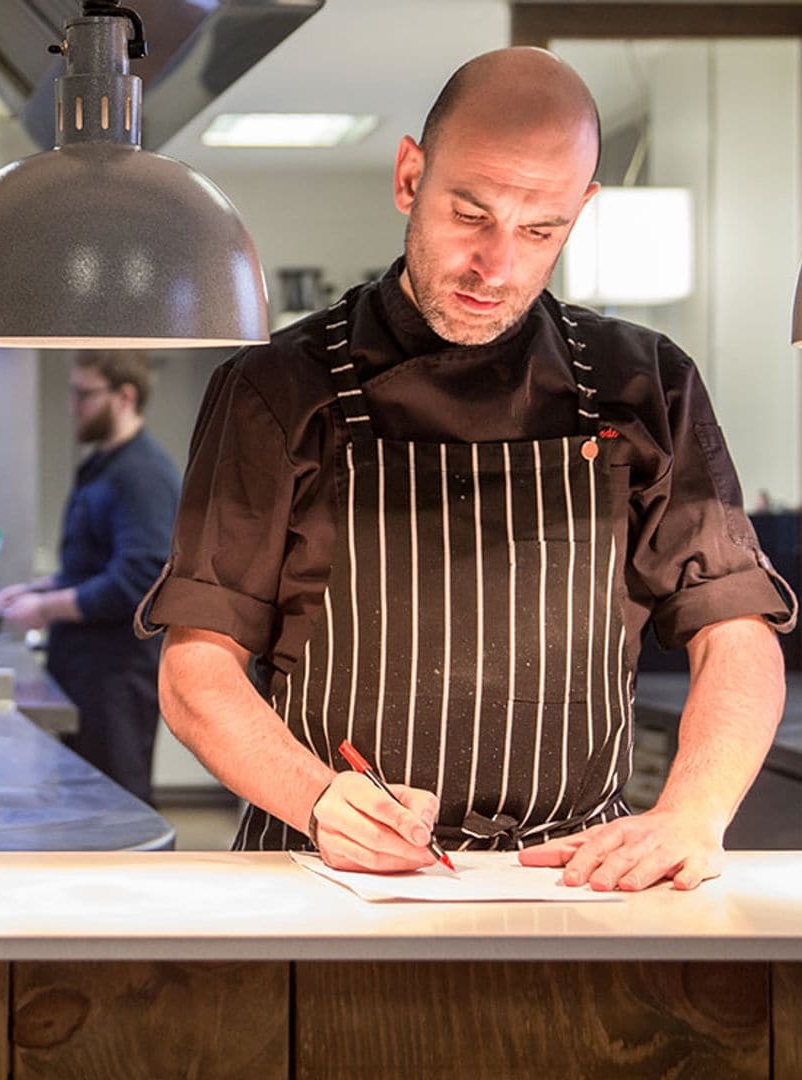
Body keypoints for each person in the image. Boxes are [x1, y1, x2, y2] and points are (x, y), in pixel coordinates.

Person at [136, 47, 797, 890]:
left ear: (581, 210)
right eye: (471, 214)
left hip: (572, 883)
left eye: (540, 230)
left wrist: (692, 813)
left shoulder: (647, 383)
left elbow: (734, 627)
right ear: (410, 176)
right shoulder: (274, 388)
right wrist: (318, 798)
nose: (498, 266)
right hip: (326, 876)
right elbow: (198, 668)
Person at [0, 351, 180, 804]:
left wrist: (43, 609)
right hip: (84, 671)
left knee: (118, 803)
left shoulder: (142, 474)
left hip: (116, 678)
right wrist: (39, 588)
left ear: (125, 396)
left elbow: (138, 580)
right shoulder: (103, 465)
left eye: (84, 393)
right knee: (85, 800)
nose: (73, 404)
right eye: (72, 391)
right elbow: (91, 568)